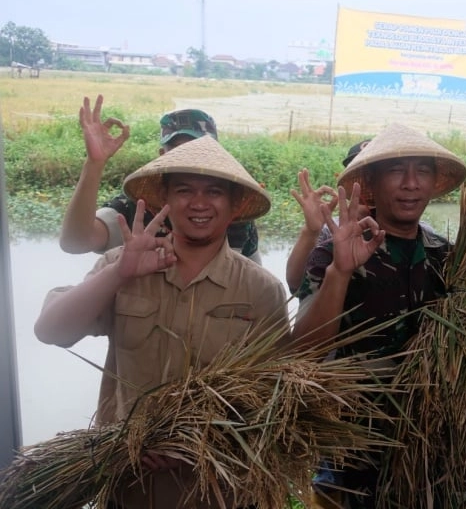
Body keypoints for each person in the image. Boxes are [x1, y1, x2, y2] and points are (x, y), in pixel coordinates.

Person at [35, 136, 289, 508]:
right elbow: (50, 331)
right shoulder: (123, 265)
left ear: (234, 206)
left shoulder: (260, 289)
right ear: (164, 200)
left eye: (214, 192)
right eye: (184, 190)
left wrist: (201, 441)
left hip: (221, 491)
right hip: (128, 485)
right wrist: (120, 272)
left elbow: (277, 398)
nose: (199, 203)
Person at [291, 123, 466, 508]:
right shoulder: (336, 251)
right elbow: (302, 351)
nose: (410, 183)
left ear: (434, 181)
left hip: (431, 446)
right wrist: (340, 272)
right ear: (371, 182)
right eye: (395, 171)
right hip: (353, 444)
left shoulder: (447, 257)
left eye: (421, 170)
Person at [59, 95, 262, 263]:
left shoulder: (236, 216)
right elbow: (76, 242)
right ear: (162, 156)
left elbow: (253, 283)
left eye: (199, 150)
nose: (190, 159)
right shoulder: (136, 207)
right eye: (179, 150)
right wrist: (94, 165)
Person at [285, 139, 372, 294]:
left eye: (374, 174)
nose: (367, 183)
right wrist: (311, 232)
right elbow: (295, 284)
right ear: (348, 181)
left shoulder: (420, 233)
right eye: (358, 174)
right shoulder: (331, 231)